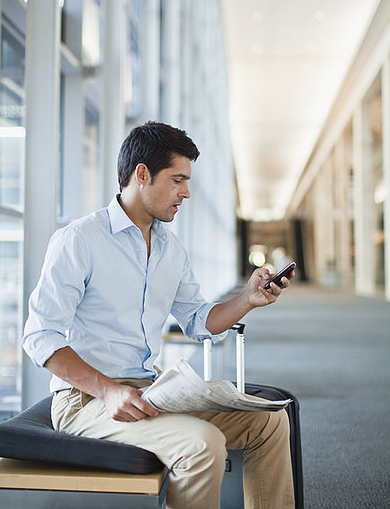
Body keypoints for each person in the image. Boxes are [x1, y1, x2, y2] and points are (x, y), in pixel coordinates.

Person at [23, 121, 295, 509]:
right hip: (86, 400)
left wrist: (247, 299)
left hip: (149, 391)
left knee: (268, 424)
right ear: (142, 174)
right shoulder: (80, 240)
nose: (186, 193)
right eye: (178, 180)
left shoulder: (170, 248)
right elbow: (40, 335)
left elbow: (199, 320)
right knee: (203, 444)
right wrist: (108, 389)